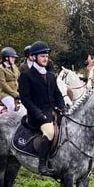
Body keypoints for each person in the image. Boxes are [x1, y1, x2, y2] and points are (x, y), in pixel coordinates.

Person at [18, 40, 66, 176]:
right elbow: (25, 99)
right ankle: (42, 164)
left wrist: (62, 108)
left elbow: (57, 94)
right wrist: (38, 114)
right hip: (37, 115)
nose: (45, 58)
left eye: (46, 56)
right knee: (50, 132)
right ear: (33, 57)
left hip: (52, 112)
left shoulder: (50, 75)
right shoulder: (26, 76)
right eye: (42, 56)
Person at [0, 46, 21, 112]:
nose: (14, 59)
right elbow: (3, 84)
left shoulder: (14, 66)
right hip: (5, 94)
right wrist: (15, 94)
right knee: (11, 107)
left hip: (16, 92)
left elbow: (19, 78)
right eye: (12, 57)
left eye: (14, 58)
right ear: (6, 58)